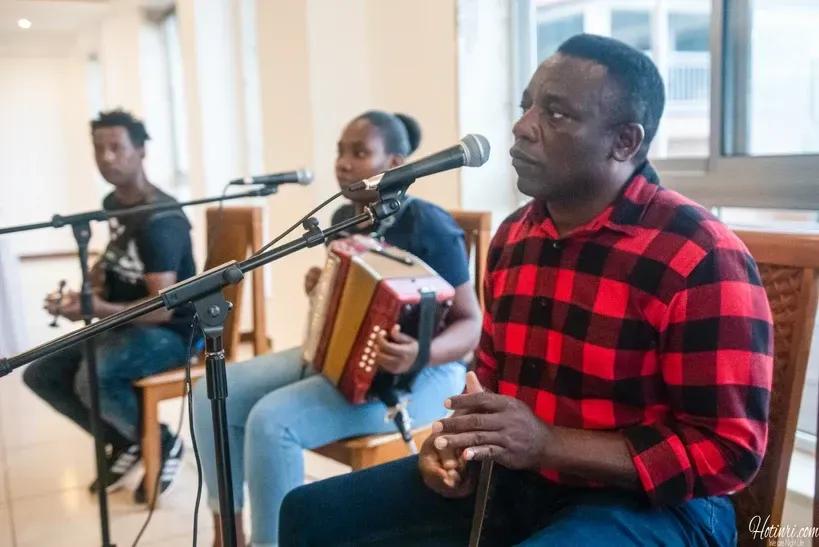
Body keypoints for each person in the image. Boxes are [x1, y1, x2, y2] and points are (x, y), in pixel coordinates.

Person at [278, 34, 775, 547]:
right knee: (309, 513)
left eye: (555, 114)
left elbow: (728, 451)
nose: (521, 127)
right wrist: (450, 446)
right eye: (526, 106)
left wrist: (549, 445)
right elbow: (491, 380)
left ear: (624, 141)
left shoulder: (699, 257)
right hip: (523, 478)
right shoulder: (516, 237)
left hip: (657, 507)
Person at [191, 110, 483, 547]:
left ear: (396, 163)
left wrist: (417, 354)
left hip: (421, 375)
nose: (344, 163)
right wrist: (323, 289)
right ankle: (226, 534)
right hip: (341, 358)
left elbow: (471, 324)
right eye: (341, 152)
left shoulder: (429, 225)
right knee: (212, 392)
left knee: (272, 421)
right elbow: (348, 305)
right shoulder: (345, 216)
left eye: (360, 153)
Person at [23, 109, 198, 504]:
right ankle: (126, 441)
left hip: (172, 333)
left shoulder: (162, 221)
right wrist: (88, 286)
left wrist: (95, 306)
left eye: (117, 148)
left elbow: (160, 309)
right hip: (129, 324)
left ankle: (161, 442)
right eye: (99, 149)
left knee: (92, 377)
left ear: (140, 151)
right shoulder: (113, 202)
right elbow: (115, 259)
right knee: (41, 373)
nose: (107, 158)